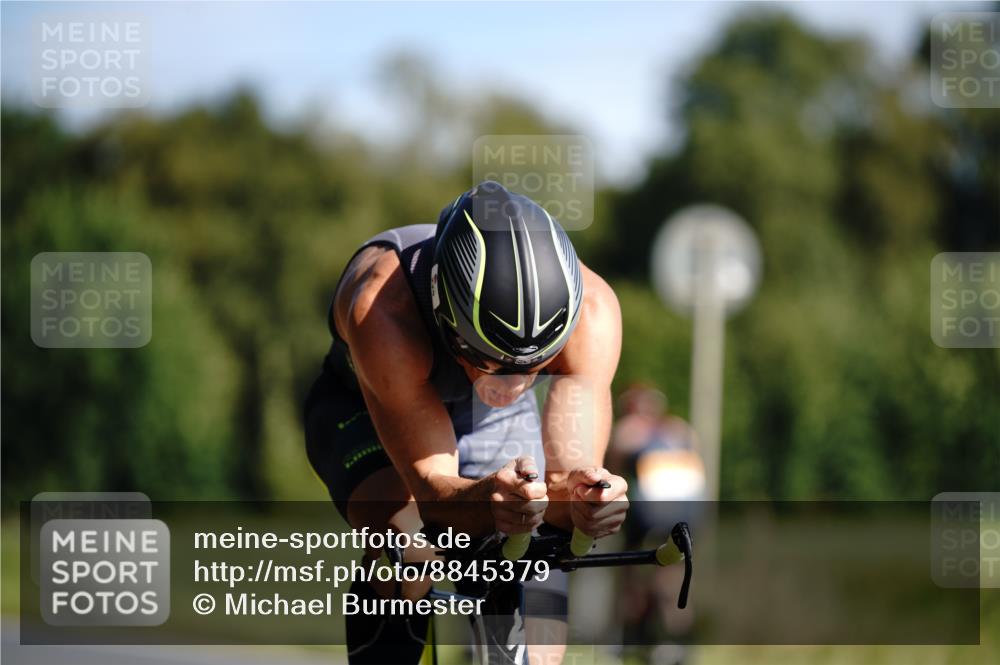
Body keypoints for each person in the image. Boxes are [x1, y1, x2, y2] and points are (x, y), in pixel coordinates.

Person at [304, 180, 629, 664]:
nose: (514, 385)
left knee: (535, 546)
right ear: (443, 312)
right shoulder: (381, 308)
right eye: (490, 362)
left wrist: (584, 499)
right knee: (406, 539)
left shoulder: (593, 313)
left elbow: (568, 480)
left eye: (533, 368)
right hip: (364, 404)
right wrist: (479, 503)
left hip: (488, 421)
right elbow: (435, 493)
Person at [608, 384, 705, 664]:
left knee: (632, 580)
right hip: (681, 518)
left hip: (645, 518)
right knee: (670, 580)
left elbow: (612, 472)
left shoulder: (629, 431)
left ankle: (632, 641)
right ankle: (672, 643)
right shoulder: (680, 429)